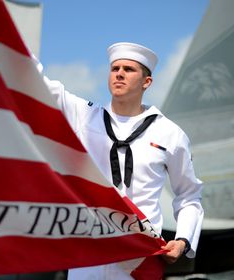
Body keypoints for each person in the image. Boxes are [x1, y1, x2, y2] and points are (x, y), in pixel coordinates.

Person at [35, 42, 204, 279]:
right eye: (115, 68)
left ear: (147, 82)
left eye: (129, 69)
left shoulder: (170, 134)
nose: (120, 74)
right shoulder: (85, 117)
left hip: (138, 260)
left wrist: (183, 240)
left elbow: (189, 194)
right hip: (90, 254)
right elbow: (38, 83)